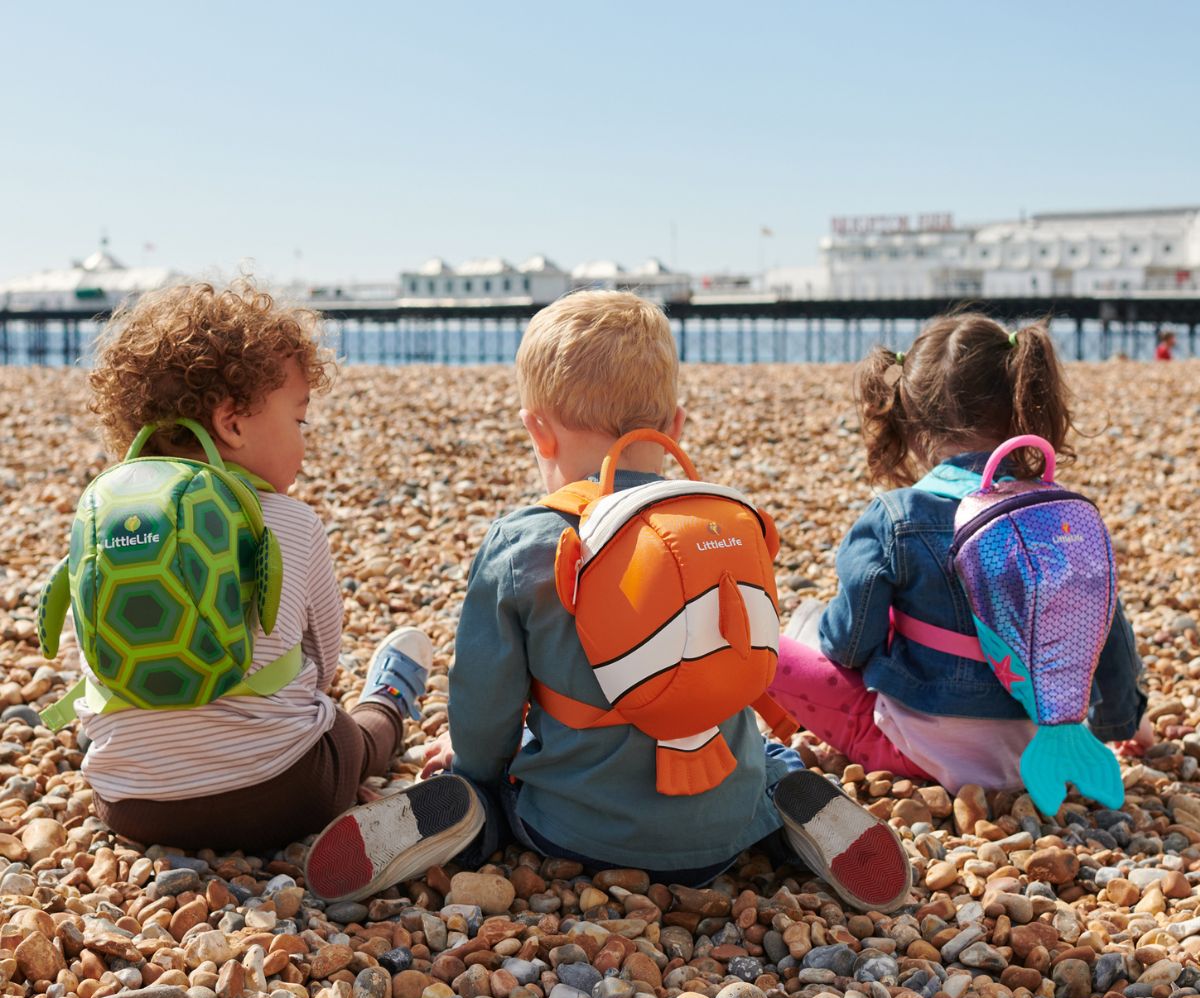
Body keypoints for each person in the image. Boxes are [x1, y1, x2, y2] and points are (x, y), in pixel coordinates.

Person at [305, 290, 912, 912]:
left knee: (500, 790)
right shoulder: (721, 522)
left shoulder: (525, 542)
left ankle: (476, 814)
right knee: (761, 752)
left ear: (537, 432)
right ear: (675, 425)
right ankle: (781, 797)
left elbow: (485, 701)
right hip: (727, 832)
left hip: (572, 829)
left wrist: (478, 762)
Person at [78, 281, 434, 851]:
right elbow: (323, 659)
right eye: (300, 422)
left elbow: (93, 661)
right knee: (352, 735)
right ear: (234, 423)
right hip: (285, 793)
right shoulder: (289, 520)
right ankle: (390, 700)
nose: (303, 443)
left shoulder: (103, 523)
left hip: (132, 806)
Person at [766, 314, 1149, 796]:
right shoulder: (1060, 519)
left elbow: (847, 646)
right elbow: (1104, 629)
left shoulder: (897, 515)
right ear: (1021, 404)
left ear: (913, 419)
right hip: (1039, 749)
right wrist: (1122, 720)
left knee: (764, 644)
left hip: (919, 753)